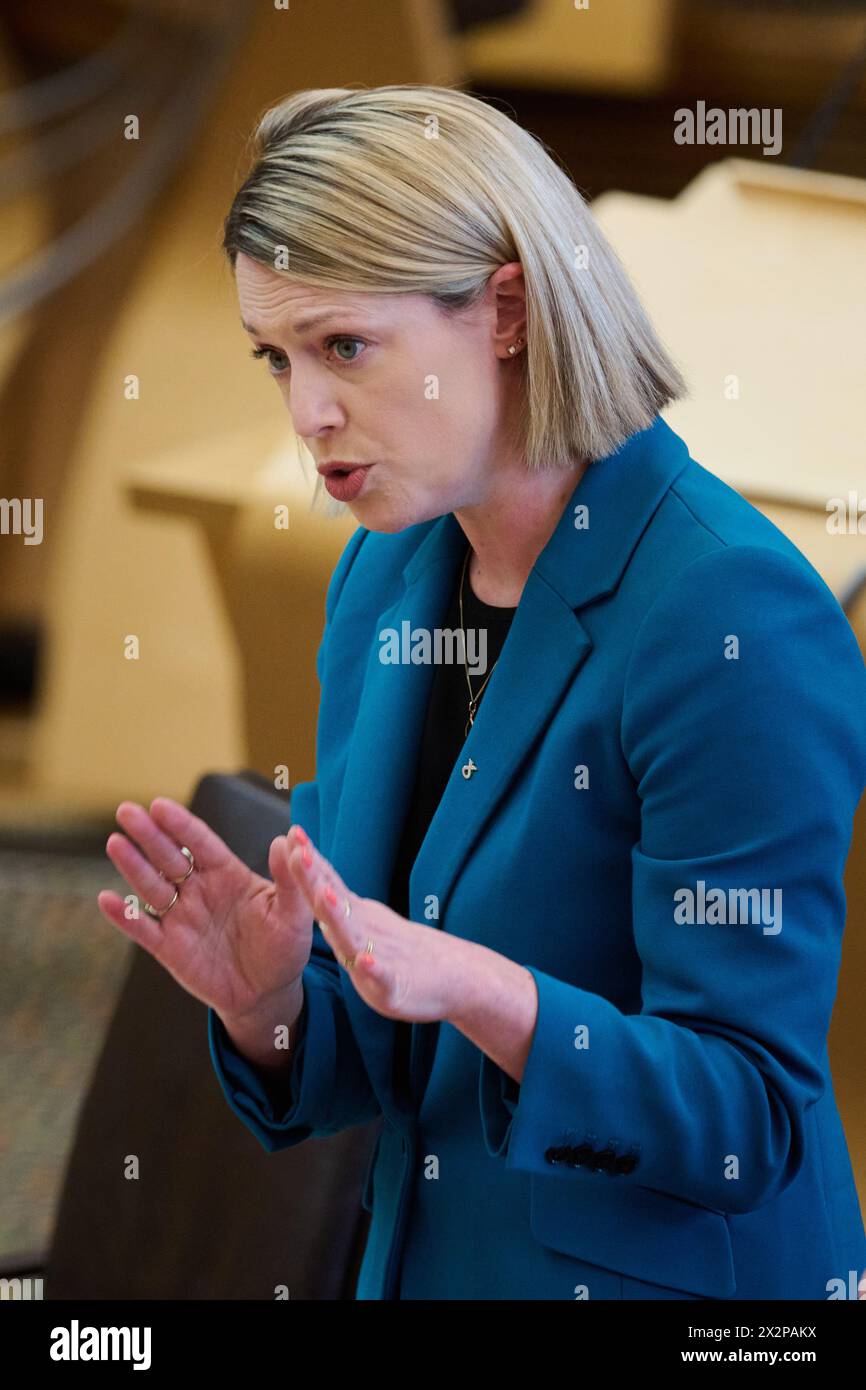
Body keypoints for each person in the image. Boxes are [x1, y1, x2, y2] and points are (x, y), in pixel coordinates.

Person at [98, 84, 866, 1301]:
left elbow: (747, 1113)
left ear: (505, 311)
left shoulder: (726, 613)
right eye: (276, 358)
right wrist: (268, 1004)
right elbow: (379, 1044)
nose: (305, 414)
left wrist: (481, 987)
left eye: (344, 347)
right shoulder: (385, 571)